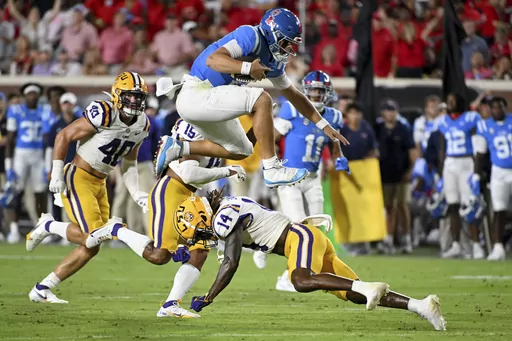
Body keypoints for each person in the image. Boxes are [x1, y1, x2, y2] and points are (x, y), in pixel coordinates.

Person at [170, 189, 445, 331]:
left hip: (298, 238)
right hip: (305, 238)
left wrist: (209, 296)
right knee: (356, 294)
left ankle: (366, 287)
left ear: (205, 216)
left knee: (300, 280)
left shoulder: (223, 218)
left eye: (199, 228)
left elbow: (231, 262)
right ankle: (421, 306)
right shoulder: (227, 205)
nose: (202, 234)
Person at [154, 7, 348, 188]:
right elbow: (212, 60)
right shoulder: (251, 35)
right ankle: (272, 169)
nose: (289, 48)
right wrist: (247, 68)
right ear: (272, 33)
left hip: (208, 100)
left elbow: (294, 95)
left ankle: (178, 148)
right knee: (262, 99)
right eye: (286, 42)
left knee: (242, 150)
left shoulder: (273, 60)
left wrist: (323, 124)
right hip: (196, 93)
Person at [84, 118, 247, 318]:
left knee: (200, 251)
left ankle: (170, 304)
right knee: (160, 255)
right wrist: (226, 171)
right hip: (170, 191)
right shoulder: (199, 125)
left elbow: (244, 148)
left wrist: (258, 122)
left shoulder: (217, 126)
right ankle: (115, 229)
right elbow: (188, 173)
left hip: (189, 196)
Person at [24, 71, 151, 304]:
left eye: (138, 97)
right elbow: (64, 135)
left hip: (100, 182)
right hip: (79, 176)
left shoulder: (142, 124)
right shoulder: (104, 112)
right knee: (95, 235)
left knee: (93, 245)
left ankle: (43, 287)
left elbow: (130, 164)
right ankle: (49, 226)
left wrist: (136, 193)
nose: (134, 102)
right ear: (117, 94)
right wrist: (56, 171)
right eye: (129, 96)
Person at [252, 70, 347, 291]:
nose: (315, 94)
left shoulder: (334, 116)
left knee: (316, 228)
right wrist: (272, 162)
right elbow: (271, 137)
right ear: (305, 90)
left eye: (319, 90)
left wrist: (340, 159)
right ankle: (286, 273)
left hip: (313, 178)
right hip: (290, 176)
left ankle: (269, 249)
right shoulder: (292, 109)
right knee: (299, 226)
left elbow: (335, 146)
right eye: (312, 90)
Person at [437, 92, 485, 259]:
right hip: (450, 164)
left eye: (452, 100)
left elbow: (478, 146)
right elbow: (442, 148)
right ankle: (456, 244)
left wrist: (477, 173)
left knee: (469, 205)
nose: (449, 103)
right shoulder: (443, 120)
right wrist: (440, 173)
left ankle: (476, 244)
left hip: (466, 163)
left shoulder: (471, 118)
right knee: (452, 205)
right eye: (448, 100)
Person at [4, 83, 46, 244]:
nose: (32, 96)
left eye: (35, 93)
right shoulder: (16, 111)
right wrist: (9, 166)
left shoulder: (44, 111)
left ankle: (42, 229)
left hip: (38, 155)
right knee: (16, 192)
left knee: (40, 193)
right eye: (29, 93)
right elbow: (9, 140)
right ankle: (14, 230)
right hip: (21, 154)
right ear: (24, 96)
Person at [375, 100, 416, 254]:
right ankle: (388, 239)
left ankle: (406, 239)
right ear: (383, 113)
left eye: (393, 110)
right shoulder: (378, 129)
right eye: (387, 110)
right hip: (384, 175)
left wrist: (411, 171)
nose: (390, 113)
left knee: (403, 206)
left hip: (402, 174)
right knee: (388, 207)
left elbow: (412, 152)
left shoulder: (404, 129)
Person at [473, 97, 511, 261]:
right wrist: (476, 173)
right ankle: (498, 247)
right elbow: (480, 154)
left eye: (500, 107)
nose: (497, 110)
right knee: (498, 210)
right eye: (493, 107)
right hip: (498, 171)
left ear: (505, 107)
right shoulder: (484, 125)